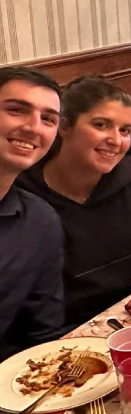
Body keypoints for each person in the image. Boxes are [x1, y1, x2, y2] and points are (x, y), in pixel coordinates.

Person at [17, 77, 131, 329]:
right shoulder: (27, 201)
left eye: (125, 131)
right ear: (63, 127)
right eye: (101, 125)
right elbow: (32, 309)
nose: (116, 140)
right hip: (64, 337)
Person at [0, 67, 64, 360]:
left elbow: (42, 334)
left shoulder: (40, 222)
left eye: (48, 119)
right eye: (16, 110)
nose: (34, 127)